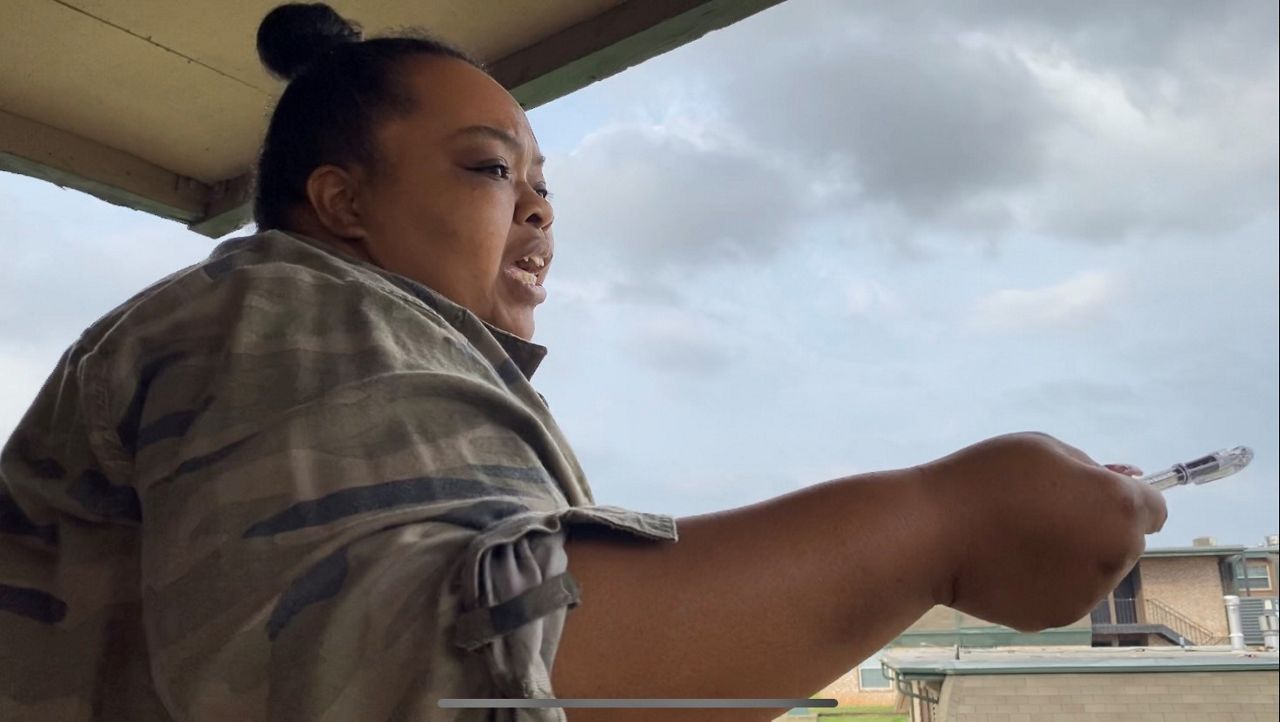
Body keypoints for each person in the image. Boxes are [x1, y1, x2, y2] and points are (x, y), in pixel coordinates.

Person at [0, 4, 1166, 721]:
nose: (541, 215)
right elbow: (431, 683)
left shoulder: (330, 340)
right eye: (489, 169)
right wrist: (943, 525)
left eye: (546, 187)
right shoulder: (302, 307)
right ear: (340, 201)